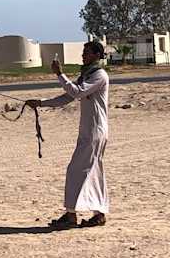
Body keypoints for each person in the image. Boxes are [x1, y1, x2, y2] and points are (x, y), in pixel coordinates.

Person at [25, 39, 110, 229]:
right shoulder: (87, 75)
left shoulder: (99, 75)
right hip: (88, 131)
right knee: (91, 171)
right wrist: (41, 103)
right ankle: (96, 213)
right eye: (83, 52)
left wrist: (59, 74)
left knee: (75, 170)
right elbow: (67, 97)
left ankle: (72, 214)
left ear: (97, 55)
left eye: (87, 53)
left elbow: (77, 92)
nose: (83, 55)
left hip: (95, 132)